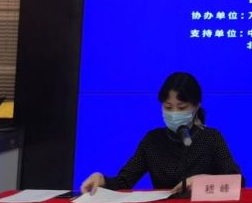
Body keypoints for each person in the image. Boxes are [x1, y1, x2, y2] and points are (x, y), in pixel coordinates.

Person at [79, 72, 243, 194]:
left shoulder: (211, 138)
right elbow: (124, 181)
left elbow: (237, 181)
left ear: (196, 106)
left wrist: (201, 181)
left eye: (182, 107)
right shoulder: (152, 141)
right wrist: (103, 180)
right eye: (168, 107)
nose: (174, 113)